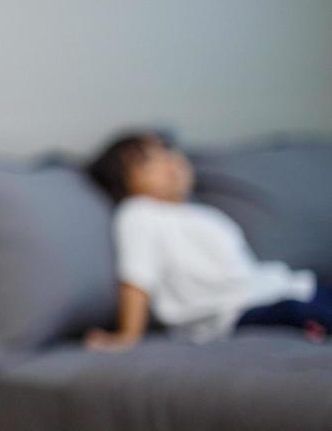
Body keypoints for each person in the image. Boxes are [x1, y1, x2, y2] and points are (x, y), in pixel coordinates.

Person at [84, 131, 331, 349]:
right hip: (231, 314)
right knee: (296, 311)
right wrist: (128, 335)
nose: (167, 162)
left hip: (285, 287)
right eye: (147, 161)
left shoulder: (201, 213)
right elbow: (136, 276)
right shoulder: (138, 214)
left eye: (166, 152)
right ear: (123, 183)